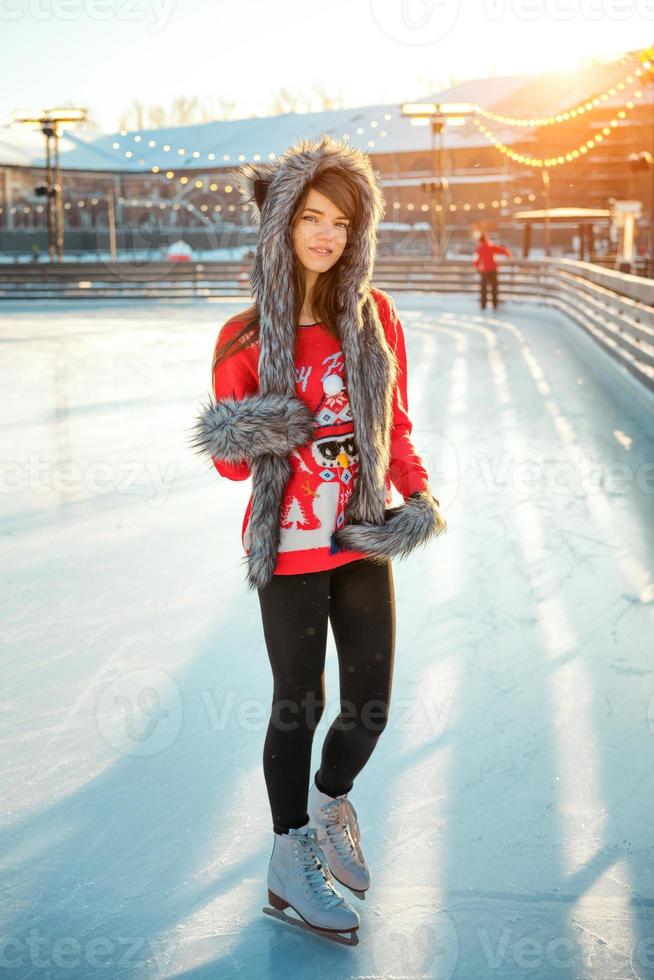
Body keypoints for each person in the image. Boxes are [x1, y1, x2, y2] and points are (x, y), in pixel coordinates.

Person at [191, 135, 447, 941]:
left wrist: (417, 489)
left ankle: (331, 808)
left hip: (361, 533)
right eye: (310, 216)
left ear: (356, 230)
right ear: (283, 225)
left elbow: (391, 421)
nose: (326, 234)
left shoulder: (375, 318)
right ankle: (287, 854)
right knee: (299, 702)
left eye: (340, 219)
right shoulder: (243, 337)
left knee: (367, 705)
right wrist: (268, 424)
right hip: (293, 546)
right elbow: (234, 467)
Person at [473, 232, 511, 309]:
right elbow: (502, 250)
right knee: (494, 288)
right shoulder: (491, 246)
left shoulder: (480, 248)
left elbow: (477, 260)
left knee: (484, 289)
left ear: (480, 241)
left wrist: (476, 266)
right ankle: (495, 304)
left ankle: (483, 305)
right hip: (493, 270)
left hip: (484, 271)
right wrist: (508, 254)